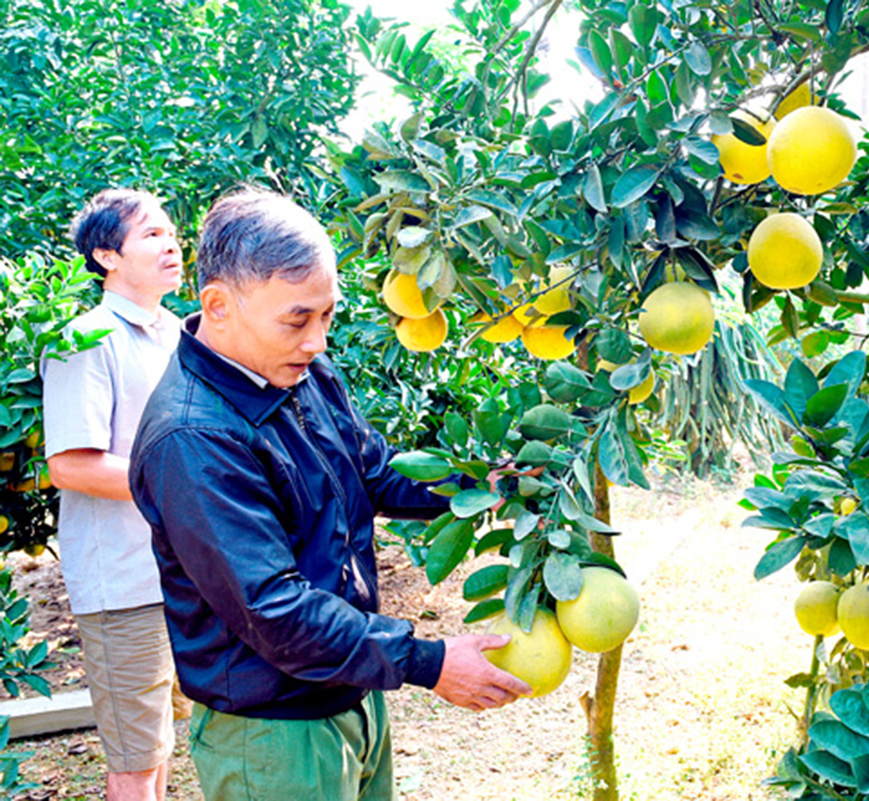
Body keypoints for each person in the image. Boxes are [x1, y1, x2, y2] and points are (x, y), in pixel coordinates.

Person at [128, 189, 530, 800]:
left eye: (327, 316)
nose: (317, 340)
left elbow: (372, 470)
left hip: (351, 692)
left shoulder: (299, 369)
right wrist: (429, 661)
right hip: (274, 732)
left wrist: (483, 484)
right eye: (297, 319)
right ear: (219, 304)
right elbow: (273, 607)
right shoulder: (193, 437)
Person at [42, 189, 185, 801]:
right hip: (123, 582)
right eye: (151, 234)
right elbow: (71, 465)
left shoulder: (180, 334)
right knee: (133, 756)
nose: (172, 242)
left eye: (171, 231)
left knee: (163, 741)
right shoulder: (86, 340)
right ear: (106, 255)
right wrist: (184, 484)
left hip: (182, 571)